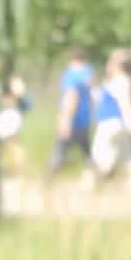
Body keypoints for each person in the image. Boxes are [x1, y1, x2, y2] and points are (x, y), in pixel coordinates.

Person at [90, 48, 131, 178]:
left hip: (111, 122)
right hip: (118, 123)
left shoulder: (120, 81)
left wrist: (130, 122)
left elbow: (124, 102)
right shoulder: (123, 81)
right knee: (128, 154)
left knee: (98, 154)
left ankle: (93, 180)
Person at [46, 48, 94, 180]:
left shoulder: (71, 75)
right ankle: (95, 177)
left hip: (72, 120)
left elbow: (71, 97)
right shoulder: (88, 73)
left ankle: (48, 180)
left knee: (59, 151)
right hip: (85, 118)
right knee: (87, 151)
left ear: (71, 60)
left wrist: (65, 120)